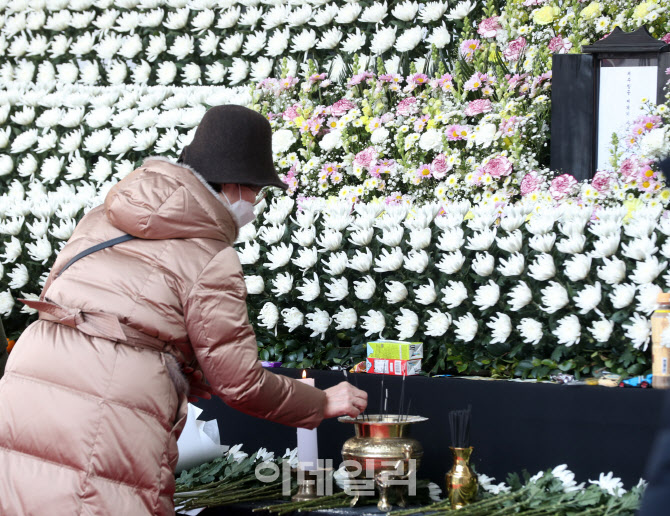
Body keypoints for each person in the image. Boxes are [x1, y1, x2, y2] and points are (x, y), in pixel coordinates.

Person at [0, 105, 368, 515]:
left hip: (32, 378)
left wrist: (177, 363)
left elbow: (64, 299)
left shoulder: (102, 217)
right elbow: (240, 384)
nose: (256, 203)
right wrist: (319, 403)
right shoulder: (211, 255)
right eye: (258, 191)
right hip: (113, 400)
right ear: (234, 186)